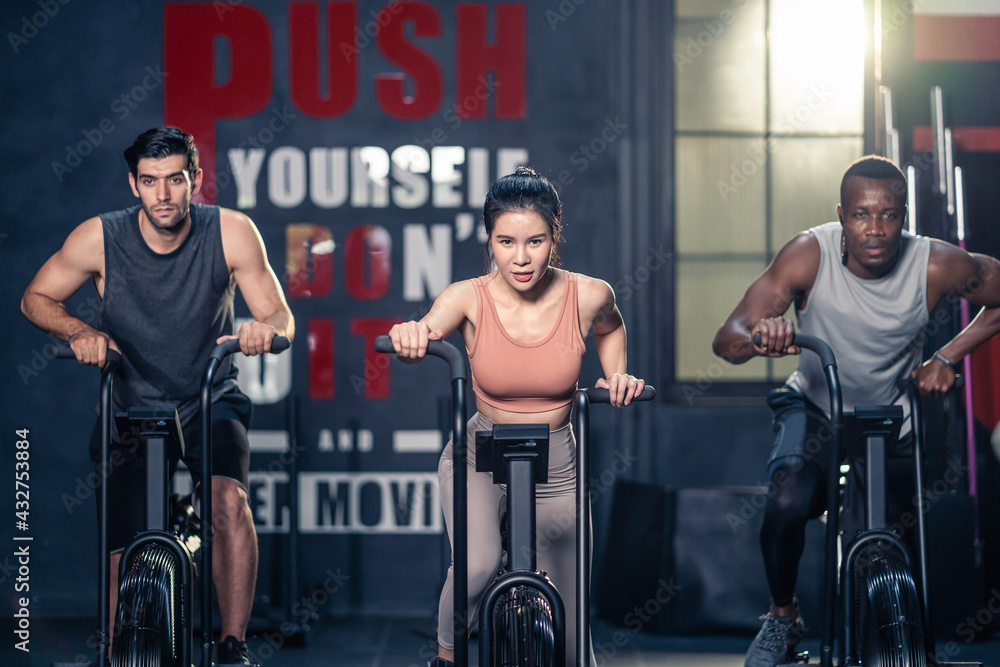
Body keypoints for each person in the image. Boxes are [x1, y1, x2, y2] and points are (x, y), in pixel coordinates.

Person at [21, 127, 295, 666]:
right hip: (130, 403)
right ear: (134, 185)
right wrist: (79, 332)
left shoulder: (233, 232)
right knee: (123, 540)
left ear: (194, 179)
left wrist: (264, 331)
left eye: (175, 180)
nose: (163, 195)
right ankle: (122, 648)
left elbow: (280, 315)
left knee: (227, 503)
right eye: (150, 182)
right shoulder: (99, 238)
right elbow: (35, 298)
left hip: (208, 399)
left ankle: (231, 646)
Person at [712, 155, 1000, 666]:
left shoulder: (936, 263)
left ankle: (899, 639)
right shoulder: (809, 254)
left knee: (894, 542)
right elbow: (727, 339)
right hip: (819, 408)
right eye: (862, 215)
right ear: (841, 214)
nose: (875, 229)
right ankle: (783, 618)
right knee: (786, 504)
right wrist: (762, 335)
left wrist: (947, 356)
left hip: (892, 417)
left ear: (904, 217)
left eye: (889, 215)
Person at [387, 166, 645, 666]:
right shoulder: (468, 297)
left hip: (558, 464)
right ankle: (444, 657)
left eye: (536, 241)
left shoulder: (589, 294)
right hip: (479, 456)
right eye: (506, 241)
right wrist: (409, 336)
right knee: (478, 565)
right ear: (489, 239)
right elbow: (425, 330)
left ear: (554, 237)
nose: (521, 258)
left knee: (571, 636)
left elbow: (612, 329)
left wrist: (617, 375)